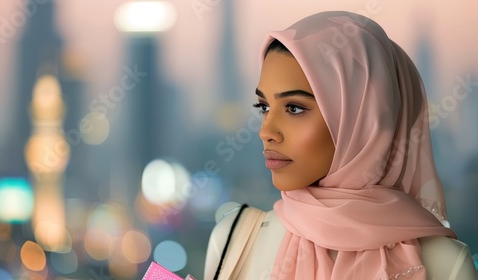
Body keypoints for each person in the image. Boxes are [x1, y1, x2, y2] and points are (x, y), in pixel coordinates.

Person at [204, 11, 477, 279]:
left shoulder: (446, 265)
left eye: (294, 108)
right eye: (263, 106)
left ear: (362, 118)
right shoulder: (233, 241)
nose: (266, 131)